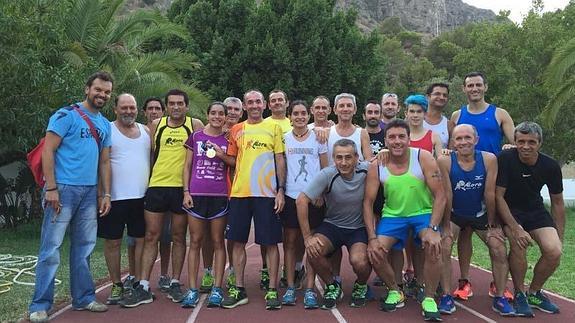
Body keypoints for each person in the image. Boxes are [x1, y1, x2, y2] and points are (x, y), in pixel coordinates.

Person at [29, 71, 114, 322]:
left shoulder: (104, 123)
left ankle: (84, 298)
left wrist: (105, 193)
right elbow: (48, 151)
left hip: (89, 192)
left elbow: (105, 161)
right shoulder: (66, 115)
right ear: (87, 89)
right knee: (51, 248)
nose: (102, 95)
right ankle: (40, 304)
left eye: (107, 92)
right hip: (63, 189)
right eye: (98, 89)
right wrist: (52, 188)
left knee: (84, 248)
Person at [120, 89, 204, 307]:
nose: (176, 107)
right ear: (167, 106)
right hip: (157, 186)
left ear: (186, 106)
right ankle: (144, 286)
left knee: (178, 236)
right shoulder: (156, 125)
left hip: (182, 188)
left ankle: (175, 282)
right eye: (172, 104)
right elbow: (144, 153)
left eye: (180, 103)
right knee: (151, 235)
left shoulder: (195, 125)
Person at [363, 119, 445, 322]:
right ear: (385, 140)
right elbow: (367, 202)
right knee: (375, 251)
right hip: (393, 215)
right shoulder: (378, 165)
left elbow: (441, 195)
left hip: (422, 214)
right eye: (392, 137)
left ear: (409, 139)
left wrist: (434, 228)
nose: (397, 141)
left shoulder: (423, 157)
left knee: (434, 244)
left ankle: (428, 297)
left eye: (401, 136)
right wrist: (372, 237)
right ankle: (394, 290)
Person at [450, 72, 515, 300]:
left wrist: (510, 147)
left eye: (478, 85)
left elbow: (515, 141)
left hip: (494, 180)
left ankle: (498, 284)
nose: (474, 88)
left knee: (495, 233)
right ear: (464, 89)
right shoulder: (458, 115)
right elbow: (452, 147)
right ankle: (464, 280)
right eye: (470, 85)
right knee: (464, 233)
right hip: (466, 181)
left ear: (485, 87)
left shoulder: (499, 113)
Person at [436, 124, 514, 316]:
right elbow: (447, 195)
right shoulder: (445, 161)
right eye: (459, 139)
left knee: (498, 248)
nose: (463, 142)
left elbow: (490, 193)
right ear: (453, 142)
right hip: (454, 214)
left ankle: (500, 297)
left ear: (476, 140)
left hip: (480, 214)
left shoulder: (488, 159)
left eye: (467, 138)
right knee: (444, 247)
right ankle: (446, 295)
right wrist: (445, 226)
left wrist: (493, 224)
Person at [221, 89, 286, 310]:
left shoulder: (274, 128)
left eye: (258, 101)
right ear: (245, 107)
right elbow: (232, 161)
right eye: (250, 102)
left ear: (264, 104)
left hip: (267, 194)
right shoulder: (237, 129)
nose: (255, 105)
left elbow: (280, 160)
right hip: (240, 194)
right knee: (237, 241)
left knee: (270, 242)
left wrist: (281, 190)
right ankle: (239, 289)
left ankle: (272, 291)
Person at [496, 122, 564, 317]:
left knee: (554, 251)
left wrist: (559, 234)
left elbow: (558, 203)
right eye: (521, 141)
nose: (526, 146)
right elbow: (498, 196)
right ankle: (519, 293)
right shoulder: (505, 159)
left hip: (534, 210)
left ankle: (533, 292)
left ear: (540, 143)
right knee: (519, 244)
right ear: (515, 141)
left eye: (531, 142)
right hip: (509, 210)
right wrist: (515, 228)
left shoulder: (550, 166)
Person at [297, 139, 372, 309]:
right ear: (333, 158)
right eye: (339, 158)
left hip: (358, 228)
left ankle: (360, 285)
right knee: (313, 249)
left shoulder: (367, 170)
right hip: (332, 226)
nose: (343, 162)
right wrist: (308, 237)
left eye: (348, 157)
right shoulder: (327, 174)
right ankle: (332, 286)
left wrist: (384, 154)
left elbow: (387, 164)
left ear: (356, 157)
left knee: (360, 261)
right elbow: (301, 201)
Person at [97, 94, 150, 306]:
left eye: (132, 107)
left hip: (142, 198)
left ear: (137, 109)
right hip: (114, 198)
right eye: (124, 107)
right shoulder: (107, 130)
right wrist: (103, 194)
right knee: (113, 242)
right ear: (116, 109)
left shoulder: (146, 131)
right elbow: (102, 163)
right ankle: (117, 284)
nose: (129, 111)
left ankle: (136, 281)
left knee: (140, 240)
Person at [180, 102, 232, 308]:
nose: (217, 117)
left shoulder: (228, 140)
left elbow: (234, 163)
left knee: (218, 241)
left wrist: (221, 154)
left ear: (226, 117)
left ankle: (217, 289)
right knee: (195, 241)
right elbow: (187, 166)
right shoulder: (196, 136)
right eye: (213, 113)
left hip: (219, 196)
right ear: (207, 114)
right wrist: (186, 191)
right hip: (196, 195)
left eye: (221, 114)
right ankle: (192, 289)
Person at [280, 100, 328, 308]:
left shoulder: (318, 138)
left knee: (313, 245)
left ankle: (309, 288)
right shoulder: (284, 139)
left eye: (302, 113)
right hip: (291, 196)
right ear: (289, 117)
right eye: (295, 114)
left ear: (308, 116)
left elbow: (325, 169)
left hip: (313, 197)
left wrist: (322, 191)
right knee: (290, 242)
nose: (299, 117)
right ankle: (291, 286)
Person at [141, 97, 172, 293]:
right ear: (144, 112)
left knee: (166, 236)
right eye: (150, 108)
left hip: (166, 187)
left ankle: (164, 274)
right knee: (140, 237)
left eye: (158, 108)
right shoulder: (140, 132)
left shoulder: (165, 129)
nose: (154, 111)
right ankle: (138, 278)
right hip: (143, 189)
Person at [221, 96, 243, 289]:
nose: (232, 113)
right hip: (215, 191)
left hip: (237, 192)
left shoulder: (244, 131)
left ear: (241, 113)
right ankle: (210, 271)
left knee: (233, 235)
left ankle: (233, 270)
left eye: (236, 109)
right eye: (229, 109)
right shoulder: (210, 131)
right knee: (212, 235)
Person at [424, 83, 454, 148]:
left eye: (445, 95)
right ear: (427, 97)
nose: (441, 97)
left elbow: (451, 153)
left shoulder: (449, 125)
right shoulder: (413, 120)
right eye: (437, 94)